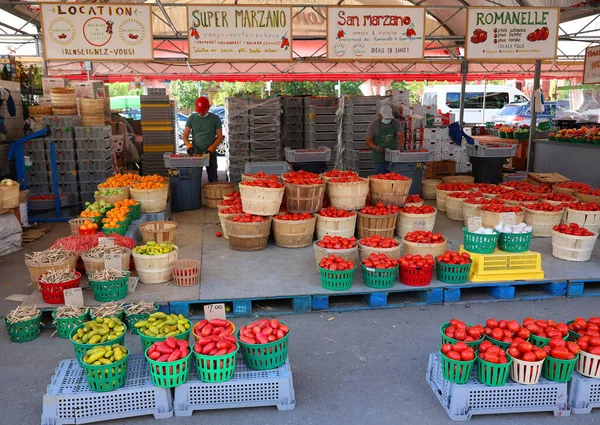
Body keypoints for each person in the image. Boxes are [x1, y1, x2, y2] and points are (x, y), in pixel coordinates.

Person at [183, 96, 223, 182]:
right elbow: (185, 135)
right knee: (195, 179)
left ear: (208, 107)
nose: (200, 113)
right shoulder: (192, 118)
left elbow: (219, 137)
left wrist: (211, 149)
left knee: (213, 179)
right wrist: (188, 146)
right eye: (199, 111)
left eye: (202, 111)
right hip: (196, 153)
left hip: (210, 153)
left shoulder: (215, 119)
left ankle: (213, 195)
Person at [366, 105, 405, 175]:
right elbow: (368, 140)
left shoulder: (395, 123)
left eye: (388, 118)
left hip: (393, 156)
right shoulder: (373, 125)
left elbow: (400, 135)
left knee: (395, 177)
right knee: (381, 178)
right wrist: (376, 147)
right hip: (380, 157)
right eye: (385, 118)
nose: (387, 120)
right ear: (379, 115)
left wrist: (401, 146)